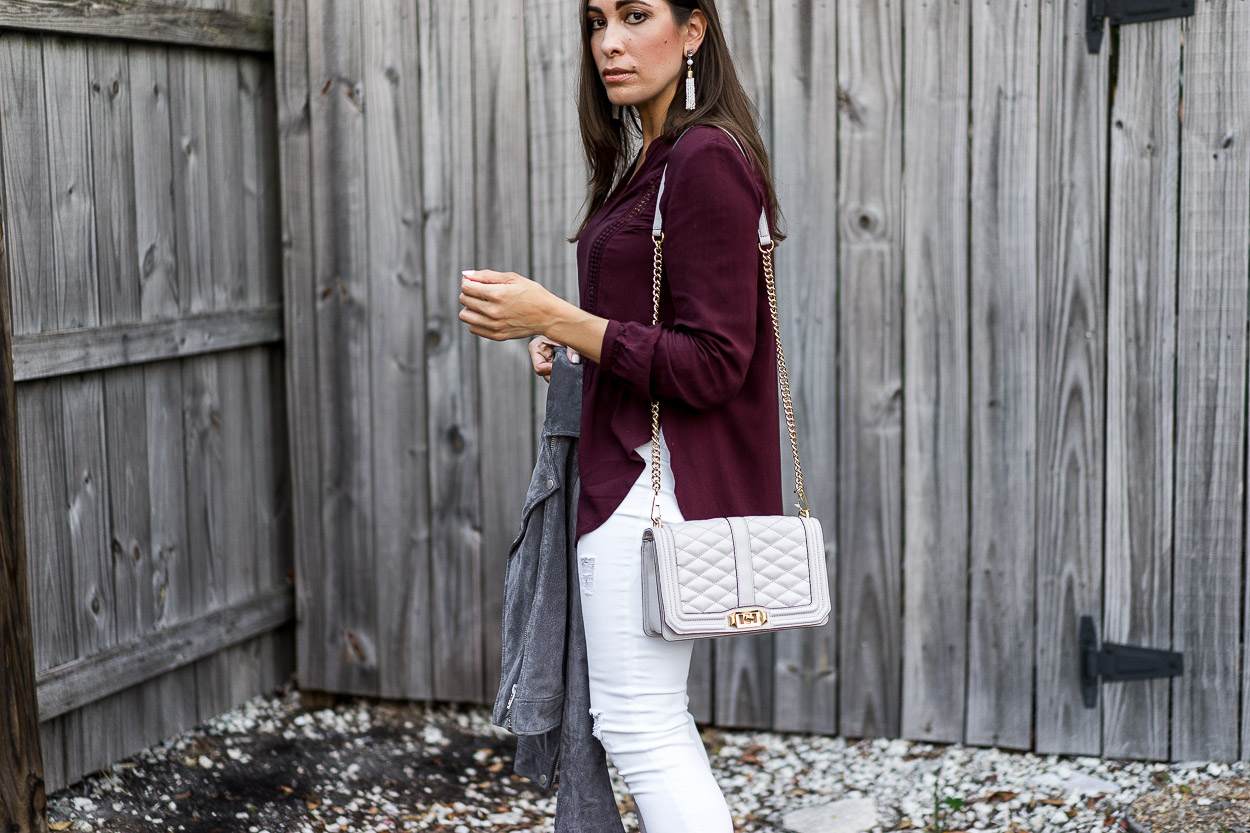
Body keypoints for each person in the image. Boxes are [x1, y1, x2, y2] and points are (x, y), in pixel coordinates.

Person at [458, 1, 786, 829]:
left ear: (694, 30)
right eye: (597, 20)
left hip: (651, 485)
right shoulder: (655, 157)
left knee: (641, 725)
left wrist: (561, 317)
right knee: (645, 720)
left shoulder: (705, 157)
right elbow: (655, 322)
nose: (608, 41)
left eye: (636, 15)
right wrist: (569, 343)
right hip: (630, 474)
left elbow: (715, 362)